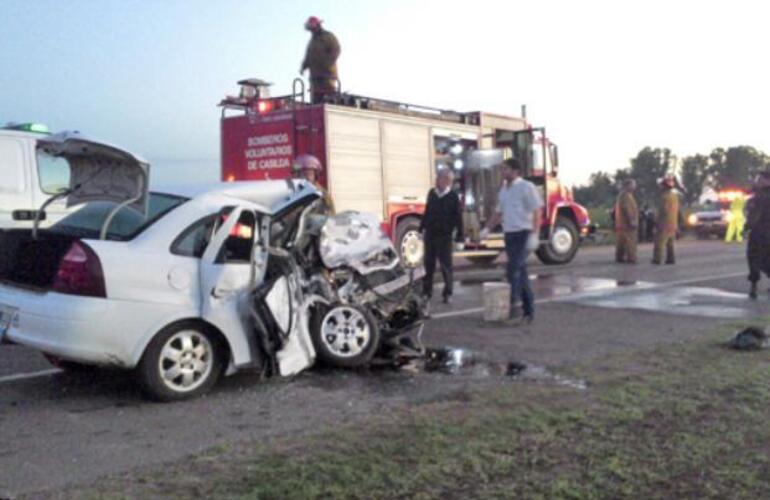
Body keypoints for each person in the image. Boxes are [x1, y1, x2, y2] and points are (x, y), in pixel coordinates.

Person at [481, 158, 543, 323]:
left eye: (506, 169)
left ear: (516, 171)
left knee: (512, 268)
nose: (503, 172)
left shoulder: (526, 187)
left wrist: (535, 234)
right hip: (510, 234)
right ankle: (528, 311)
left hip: (524, 233)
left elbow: (537, 211)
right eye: (502, 169)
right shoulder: (504, 190)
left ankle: (514, 305)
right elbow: (499, 213)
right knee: (521, 273)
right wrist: (487, 228)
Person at [420, 169, 464, 304]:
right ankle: (426, 292)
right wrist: (421, 228)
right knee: (428, 265)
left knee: (446, 266)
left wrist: (460, 238)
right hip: (431, 234)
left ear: (446, 180)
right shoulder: (432, 194)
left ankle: (448, 292)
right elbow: (427, 211)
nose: (436, 180)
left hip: (444, 236)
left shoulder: (452, 196)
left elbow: (458, 218)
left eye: (439, 178)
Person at [299, 16, 341, 104]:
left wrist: (328, 63)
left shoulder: (328, 37)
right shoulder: (312, 42)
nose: (311, 31)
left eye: (312, 28)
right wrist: (303, 67)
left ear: (317, 26)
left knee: (330, 98)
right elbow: (308, 56)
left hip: (327, 76)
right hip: (315, 78)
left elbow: (336, 49)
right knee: (316, 101)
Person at [746, 172, 770, 299]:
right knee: (762, 259)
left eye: (760, 179)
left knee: (754, 258)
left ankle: (753, 286)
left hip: (761, 232)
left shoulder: (759, 197)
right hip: (762, 232)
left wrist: (748, 226)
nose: (757, 181)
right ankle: (753, 286)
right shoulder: (757, 196)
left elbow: (754, 215)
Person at [652, 175, 680, 265]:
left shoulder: (663, 197)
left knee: (659, 243)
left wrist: (656, 221)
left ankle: (657, 259)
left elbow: (662, 211)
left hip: (664, 224)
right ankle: (670, 259)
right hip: (673, 223)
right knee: (670, 243)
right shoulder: (674, 197)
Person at [614, 179, 639, 264]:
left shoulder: (623, 195)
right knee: (630, 241)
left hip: (621, 223)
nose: (635, 186)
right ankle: (631, 258)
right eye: (633, 185)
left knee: (621, 241)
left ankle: (619, 257)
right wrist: (632, 220)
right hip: (627, 223)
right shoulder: (626, 196)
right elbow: (627, 209)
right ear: (628, 186)